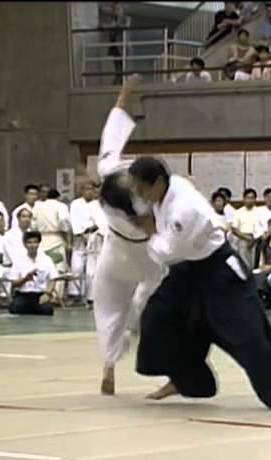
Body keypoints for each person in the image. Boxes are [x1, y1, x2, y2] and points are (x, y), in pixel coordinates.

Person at [128, 155, 271, 410]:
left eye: (141, 188)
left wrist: (149, 231)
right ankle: (186, 380)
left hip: (219, 271)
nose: (138, 194)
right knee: (158, 318)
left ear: (158, 181)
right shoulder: (172, 185)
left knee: (247, 333)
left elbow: (167, 252)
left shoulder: (184, 210)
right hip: (188, 270)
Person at [90, 75, 163, 395]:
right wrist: (125, 92)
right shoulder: (146, 198)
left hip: (115, 254)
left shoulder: (108, 179)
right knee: (150, 295)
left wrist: (124, 93)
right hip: (147, 255)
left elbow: (111, 134)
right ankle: (136, 326)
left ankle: (109, 363)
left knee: (107, 304)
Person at [8, 231, 57, 316]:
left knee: (47, 310)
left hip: (39, 294)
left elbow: (53, 279)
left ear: (39, 243)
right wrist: (25, 279)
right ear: (25, 244)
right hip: (23, 294)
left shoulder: (46, 259)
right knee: (14, 308)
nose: (32, 245)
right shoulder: (18, 260)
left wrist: (47, 294)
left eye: (35, 242)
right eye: (29, 243)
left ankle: (35, 308)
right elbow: (13, 283)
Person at [69, 181, 98, 300]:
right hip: (79, 238)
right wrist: (81, 235)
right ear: (81, 190)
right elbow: (73, 221)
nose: (89, 191)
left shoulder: (98, 204)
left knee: (92, 271)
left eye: (91, 189)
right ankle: (75, 294)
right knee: (77, 268)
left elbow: (101, 222)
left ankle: (91, 297)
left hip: (95, 238)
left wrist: (94, 231)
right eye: (86, 189)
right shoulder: (76, 204)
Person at [31, 189, 71, 276]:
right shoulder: (60, 206)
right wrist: (65, 232)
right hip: (56, 238)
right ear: (58, 197)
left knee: (42, 268)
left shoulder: (37, 206)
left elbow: (33, 223)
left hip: (41, 238)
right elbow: (63, 219)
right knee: (59, 268)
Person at [231, 189, 262, 268]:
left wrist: (253, 239)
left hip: (256, 239)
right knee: (243, 247)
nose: (250, 200)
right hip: (242, 238)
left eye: (252, 198)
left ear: (255, 199)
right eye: (248, 198)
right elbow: (234, 229)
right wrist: (247, 238)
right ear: (243, 199)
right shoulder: (238, 212)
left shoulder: (260, 211)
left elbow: (262, 228)